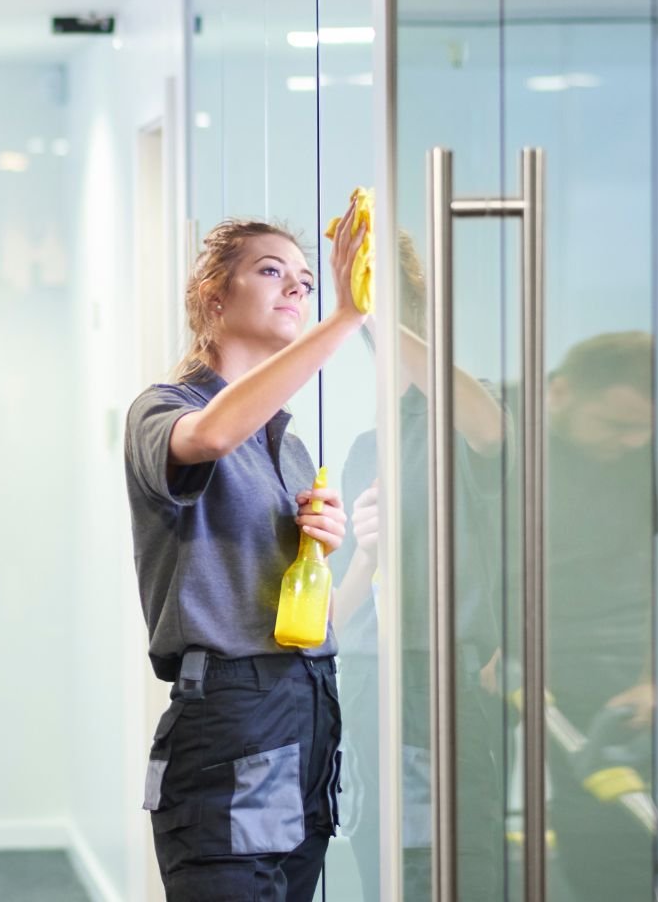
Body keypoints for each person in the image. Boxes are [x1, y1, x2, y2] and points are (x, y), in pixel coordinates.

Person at [124, 206, 374, 901]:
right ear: (214, 299)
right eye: (271, 272)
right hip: (234, 716)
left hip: (306, 710)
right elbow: (206, 438)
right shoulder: (164, 410)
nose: (296, 287)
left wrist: (323, 553)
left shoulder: (288, 448)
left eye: (304, 279)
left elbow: (305, 613)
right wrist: (345, 318)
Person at [336, 230, 509, 902]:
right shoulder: (364, 447)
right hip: (373, 678)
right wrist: (368, 556)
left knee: (460, 864)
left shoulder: (472, 410)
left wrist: (376, 308)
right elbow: (341, 611)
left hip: (452, 679)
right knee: (387, 863)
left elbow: (488, 429)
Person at [539, 331, 657, 902]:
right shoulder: (505, 434)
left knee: (604, 823)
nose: (633, 441)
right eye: (616, 425)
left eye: (646, 429)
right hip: (506, 644)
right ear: (560, 393)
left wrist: (652, 678)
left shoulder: (651, 456)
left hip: (611, 649)